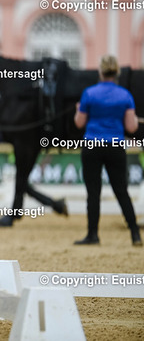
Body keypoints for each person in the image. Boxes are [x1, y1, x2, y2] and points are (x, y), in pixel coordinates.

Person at [73, 55, 141, 246]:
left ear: (100, 71)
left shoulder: (89, 93)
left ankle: (93, 234)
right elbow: (131, 127)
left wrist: (78, 110)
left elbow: (79, 123)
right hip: (115, 146)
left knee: (93, 192)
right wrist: (134, 118)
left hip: (92, 145)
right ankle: (135, 233)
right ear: (117, 72)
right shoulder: (125, 95)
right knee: (121, 191)